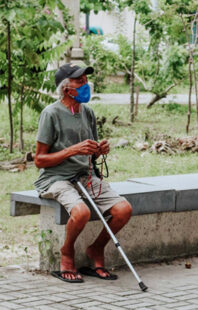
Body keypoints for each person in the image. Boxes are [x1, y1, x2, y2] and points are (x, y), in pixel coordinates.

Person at [34, 63, 132, 283]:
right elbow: (39, 160)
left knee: (123, 210)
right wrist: (72, 150)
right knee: (81, 212)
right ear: (66, 88)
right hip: (55, 178)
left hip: (85, 176)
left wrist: (99, 150)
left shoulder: (87, 112)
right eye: (80, 81)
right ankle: (67, 252)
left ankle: (96, 249)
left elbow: (90, 155)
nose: (86, 85)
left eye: (86, 81)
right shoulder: (50, 113)